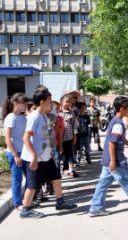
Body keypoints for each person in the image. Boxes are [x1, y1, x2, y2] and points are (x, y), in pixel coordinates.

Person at [20, 89, 77, 218]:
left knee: (56, 177)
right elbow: (26, 138)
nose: (51, 104)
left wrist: (50, 151)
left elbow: (45, 136)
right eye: (49, 101)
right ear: (42, 102)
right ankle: (26, 210)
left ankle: (60, 202)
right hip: (34, 158)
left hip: (45, 155)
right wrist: (34, 156)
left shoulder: (44, 116)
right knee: (33, 184)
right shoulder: (34, 117)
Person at [2, 93, 28, 211]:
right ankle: (17, 203)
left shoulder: (23, 117)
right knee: (17, 178)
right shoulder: (10, 117)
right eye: (24, 103)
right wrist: (16, 155)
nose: (26, 105)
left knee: (30, 177)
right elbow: (7, 139)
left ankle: (28, 200)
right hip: (15, 153)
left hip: (24, 152)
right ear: (16, 104)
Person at [59, 94, 79, 177]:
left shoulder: (72, 113)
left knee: (70, 154)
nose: (68, 104)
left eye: (69, 102)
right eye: (66, 102)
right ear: (61, 103)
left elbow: (74, 125)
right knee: (60, 154)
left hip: (69, 138)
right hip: (60, 139)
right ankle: (59, 170)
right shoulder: (58, 113)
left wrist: (75, 136)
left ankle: (71, 170)